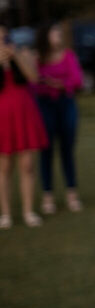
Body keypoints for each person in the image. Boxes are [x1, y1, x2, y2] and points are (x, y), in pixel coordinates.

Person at [34, 22, 85, 215]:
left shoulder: (68, 56)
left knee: (67, 150)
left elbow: (77, 80)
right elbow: (32, 83)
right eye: (54, 33)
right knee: (46, 151)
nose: (58, 37)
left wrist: (61, 84)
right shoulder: (37, 58)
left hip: (66, 104)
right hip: (45, 105)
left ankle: (72, 193)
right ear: (45, 36)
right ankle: (48, 196)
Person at [0, 25, 48, 229]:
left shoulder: (24, 52)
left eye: (4, 37)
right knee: (4, 167)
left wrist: (16, 57)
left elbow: (34, 77)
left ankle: (29, 211)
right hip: (3, 116)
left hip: (24, 112)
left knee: (27, 165)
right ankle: (6, 214)